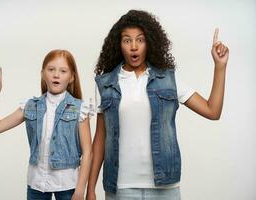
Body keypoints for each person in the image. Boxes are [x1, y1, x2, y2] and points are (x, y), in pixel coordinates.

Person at [86, 10, 229, 200]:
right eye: (127, 40)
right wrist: (90, 189)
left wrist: (220, 66)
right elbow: (100, 139)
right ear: (118, 45)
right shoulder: (105, 84)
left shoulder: (169, 79)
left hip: (165, 188)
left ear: (150, 43)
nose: (134, 47)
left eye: (141, 40)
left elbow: (213, 111)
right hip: (121, 188)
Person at [0, 49, 93, 200]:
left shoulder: (79, 108)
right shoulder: (31, 106)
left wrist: (80, 190)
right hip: (36, 184)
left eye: (63, 71)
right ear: (43, 74)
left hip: (68, 185)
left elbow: (88, 153)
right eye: (51, 70)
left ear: (71, 77)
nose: (56, 75)